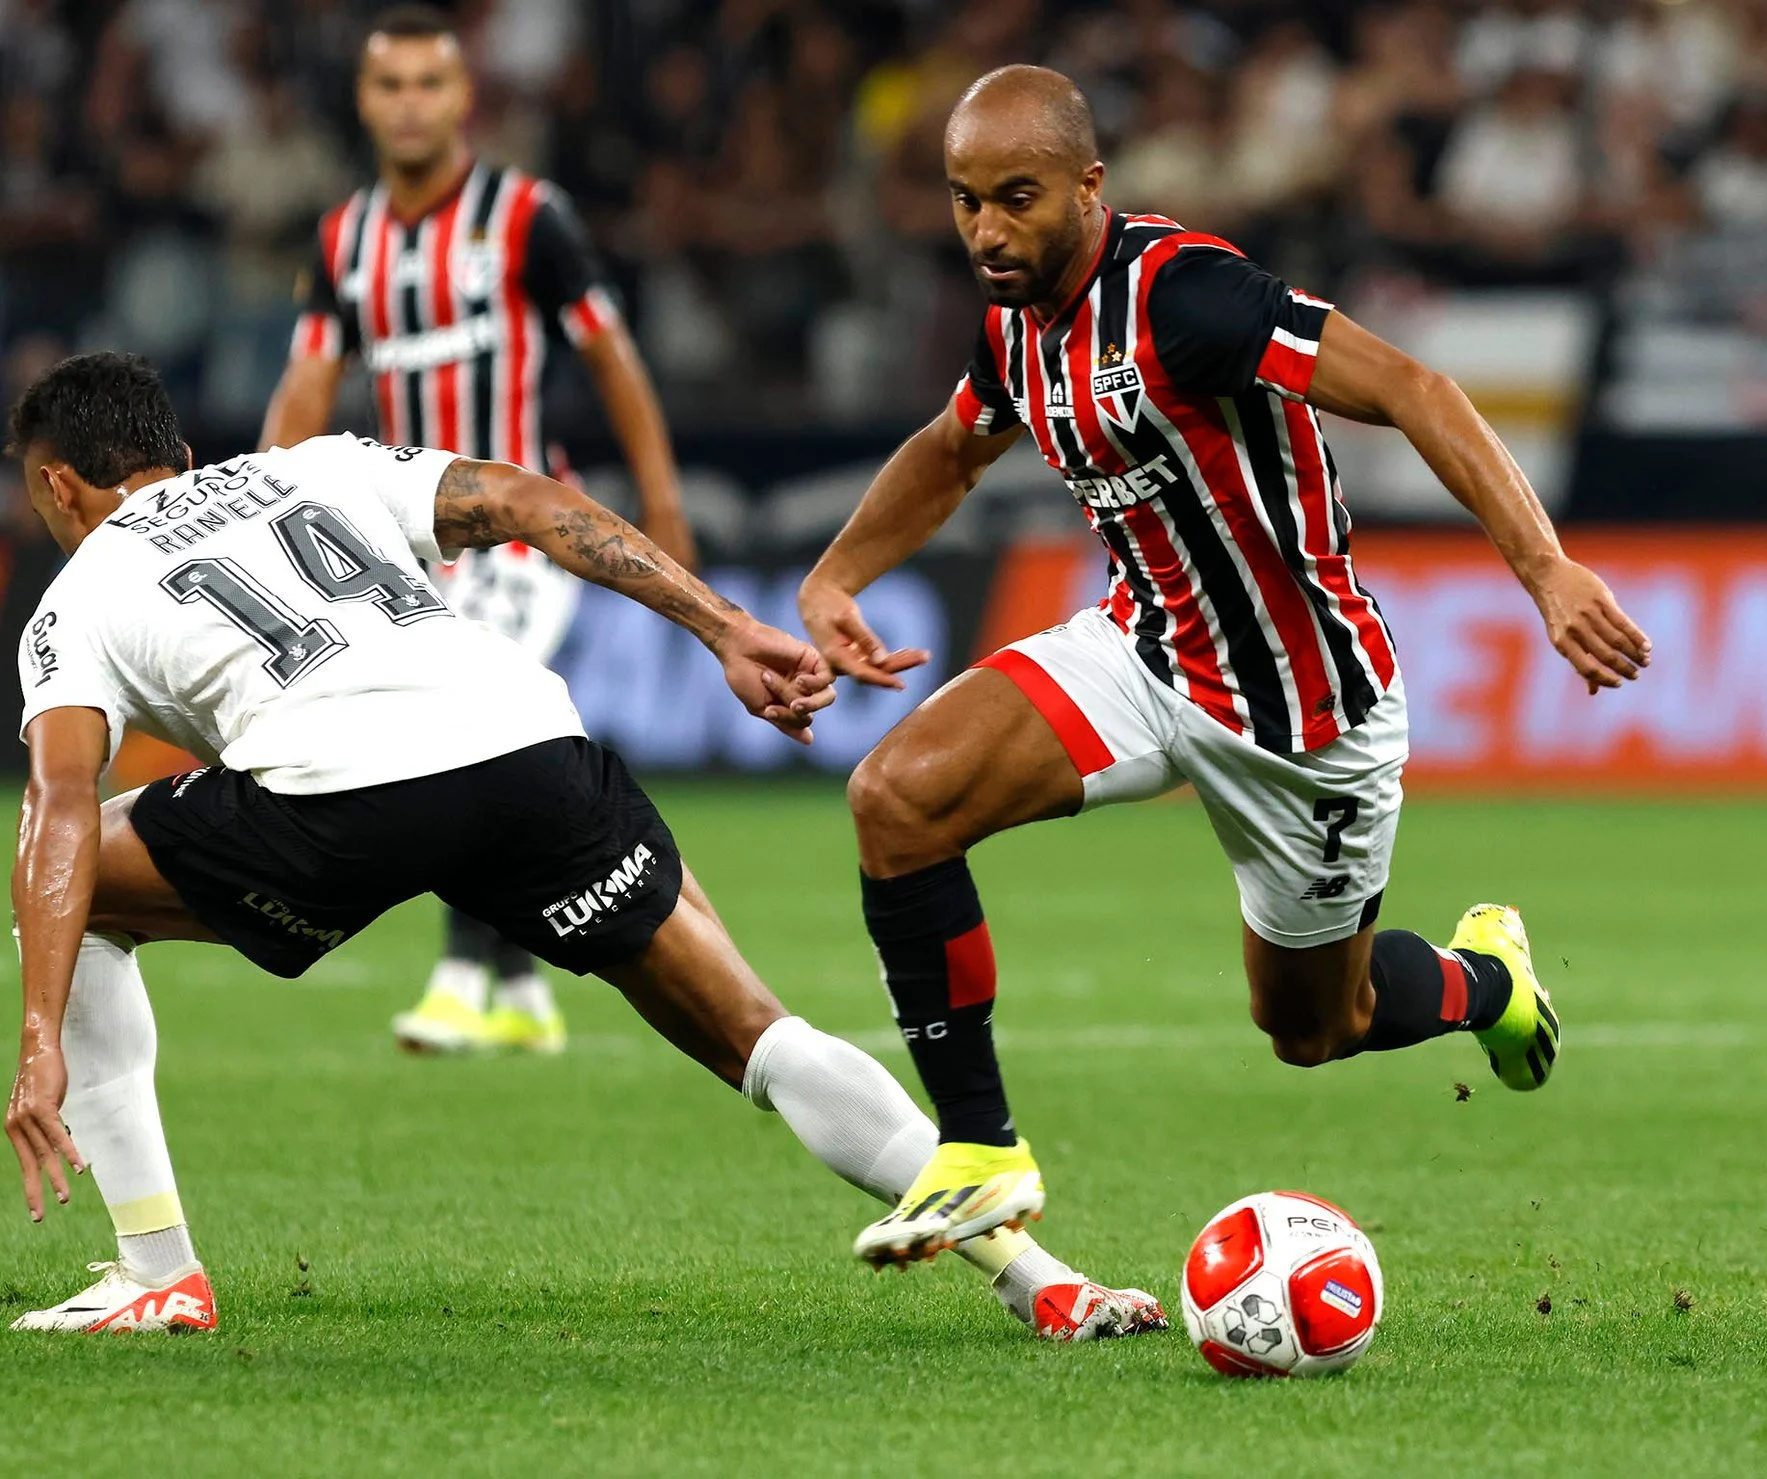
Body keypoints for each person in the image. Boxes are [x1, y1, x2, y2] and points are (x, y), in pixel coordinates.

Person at [3, 352, 1164, 1342]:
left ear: (58, 485)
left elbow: (59, 807)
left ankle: (157, 1274)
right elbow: (519, 498)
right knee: (756, 1033)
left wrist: (41, 1034)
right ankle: (1043, 1284)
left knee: (78, 884)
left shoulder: (78, 597)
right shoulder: (313, 468)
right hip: (525, 749)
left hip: (332, 802)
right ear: (176, 449)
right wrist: (722, 626)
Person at [797, 67, 1652, 1266]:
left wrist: (1546, 569)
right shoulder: (1013, 322)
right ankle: (980, 1150)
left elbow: (1413, 387)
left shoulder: (1186, 294)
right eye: (964, 200)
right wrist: (835, 579)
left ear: (1089, 188)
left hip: (1303, 713)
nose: (987, 230)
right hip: (1141, 650)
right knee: (895, 801)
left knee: (1313, 1027)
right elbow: (949, 452)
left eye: (1017, 198)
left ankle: (1482, 983)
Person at [261, 4, 694, 1058]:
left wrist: (662, 501)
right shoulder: (344, 240)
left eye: (428, 83)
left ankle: (462, 973)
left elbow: (611, 358)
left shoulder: (527, 217)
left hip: (519, 531)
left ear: (464, 98)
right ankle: (519, 988)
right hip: (403, 543)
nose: (409, 104)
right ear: (365, 103)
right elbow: (307, 382)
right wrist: (266, 495)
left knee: (452, 724)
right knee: (470, 739)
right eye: (389, 85)